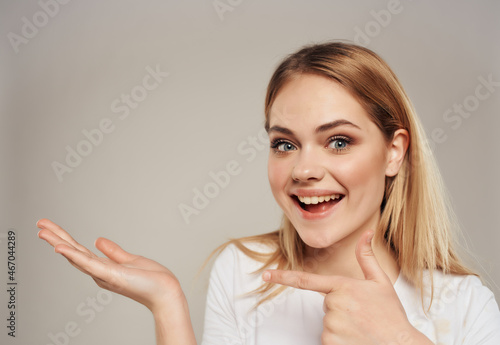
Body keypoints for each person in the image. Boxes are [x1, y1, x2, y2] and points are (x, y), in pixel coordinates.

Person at [37, 41, 500, 345]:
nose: (303, 169)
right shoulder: (243, 272)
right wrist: (167, 303)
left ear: (395, 152)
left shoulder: (464, 306)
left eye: (338, 141)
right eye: (285, 144)